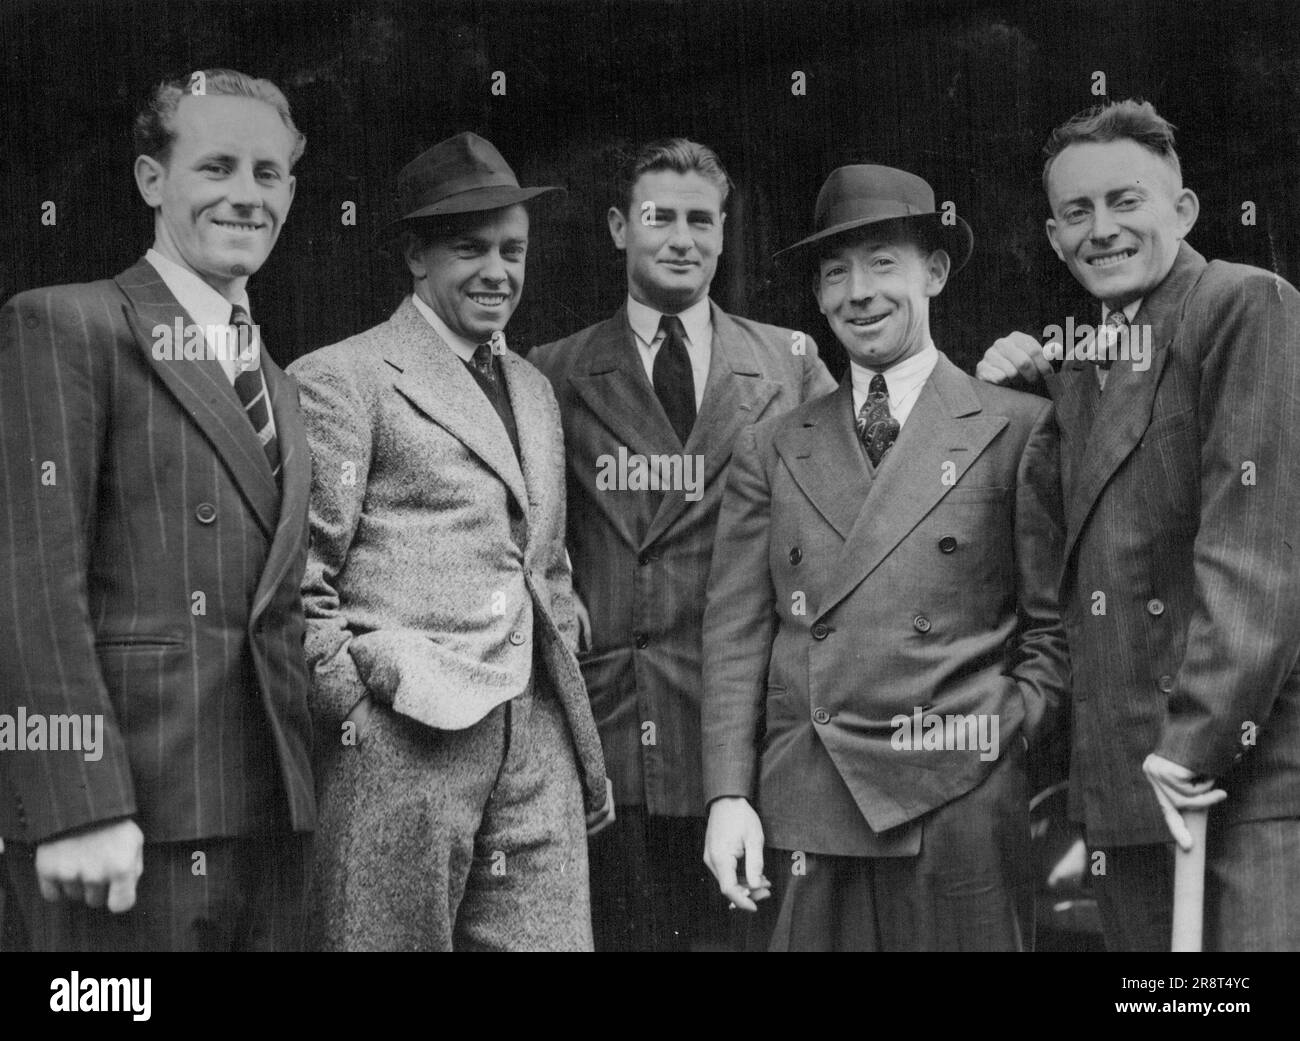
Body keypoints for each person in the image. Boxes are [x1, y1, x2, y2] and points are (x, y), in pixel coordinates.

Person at [701, 164, 1068, 951]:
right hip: (809, 802)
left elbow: (1055, 629)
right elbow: (737, 637)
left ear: (933, 272)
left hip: (957, 799)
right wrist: (729, 796)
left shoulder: (1017, 426)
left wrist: (1000, 731)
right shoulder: (772, 444)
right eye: (836, 273)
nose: (858, 292)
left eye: (882, 264)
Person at [0, 69, 315, 951]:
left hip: (268, 827)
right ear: (151, 181)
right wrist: (74, 802)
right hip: (124, 832)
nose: (246, 197)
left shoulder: (281, 387)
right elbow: (29, 580)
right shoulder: (67, 326)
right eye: (216, 167)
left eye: (267, 174)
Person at [977, 98, 1300, 951]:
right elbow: (1073, 559)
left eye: (1127, 202)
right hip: (1126, 787)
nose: (1102, 229)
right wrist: (1029, 396)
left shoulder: (1245, 303)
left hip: (1243, 775)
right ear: (1053, 237)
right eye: (1077, 212)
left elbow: (1255, 554)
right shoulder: (1084, 362)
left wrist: (1194, 741)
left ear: (1184, 211)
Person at [289, 132, 612, 952]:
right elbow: (300, 579)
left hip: (538, 745)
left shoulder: (535, 388)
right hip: (406, 738)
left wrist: (560, 675)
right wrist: (358, 712)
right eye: (470, 249)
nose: (497, 271)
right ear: (414, 256)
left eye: (513, 250)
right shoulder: (344, 376)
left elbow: (547, 562)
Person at [529, 139, 834, 951]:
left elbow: (857, 503)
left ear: (724, 233)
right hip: (615, 729)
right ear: (618, 227)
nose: (682, 238)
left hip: (744, 735)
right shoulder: (552, 371)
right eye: (660, 217)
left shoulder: (789, 361)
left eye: (702, 220)